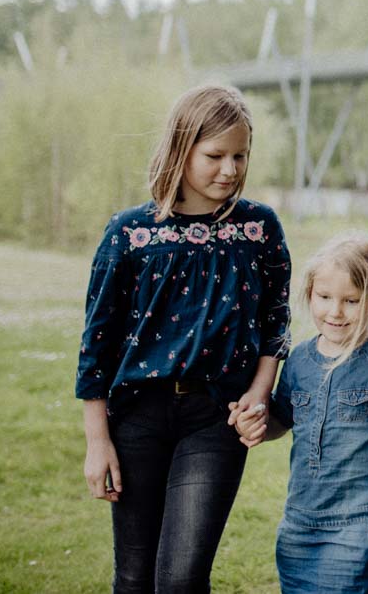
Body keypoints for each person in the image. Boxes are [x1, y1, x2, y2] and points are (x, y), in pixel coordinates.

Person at [76, 84, 291, 594]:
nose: (231, 169)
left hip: (215, 420)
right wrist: (97, 440)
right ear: (180, 148)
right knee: (133, 579)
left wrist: (260, 393)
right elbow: (96, 345)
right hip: (136, 421)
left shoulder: (259, 229)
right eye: (215, 155)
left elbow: (274, 323)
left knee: (181, 580)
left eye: (240, 155)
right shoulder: (129, 233)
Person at [231, 234, 368, 593]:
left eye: (351, 301)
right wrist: (254, 423)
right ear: (310, 294)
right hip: (299, 523)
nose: (335, 312)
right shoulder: (299, 359)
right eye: (325, 297)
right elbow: (281, 420)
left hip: (358, 526)